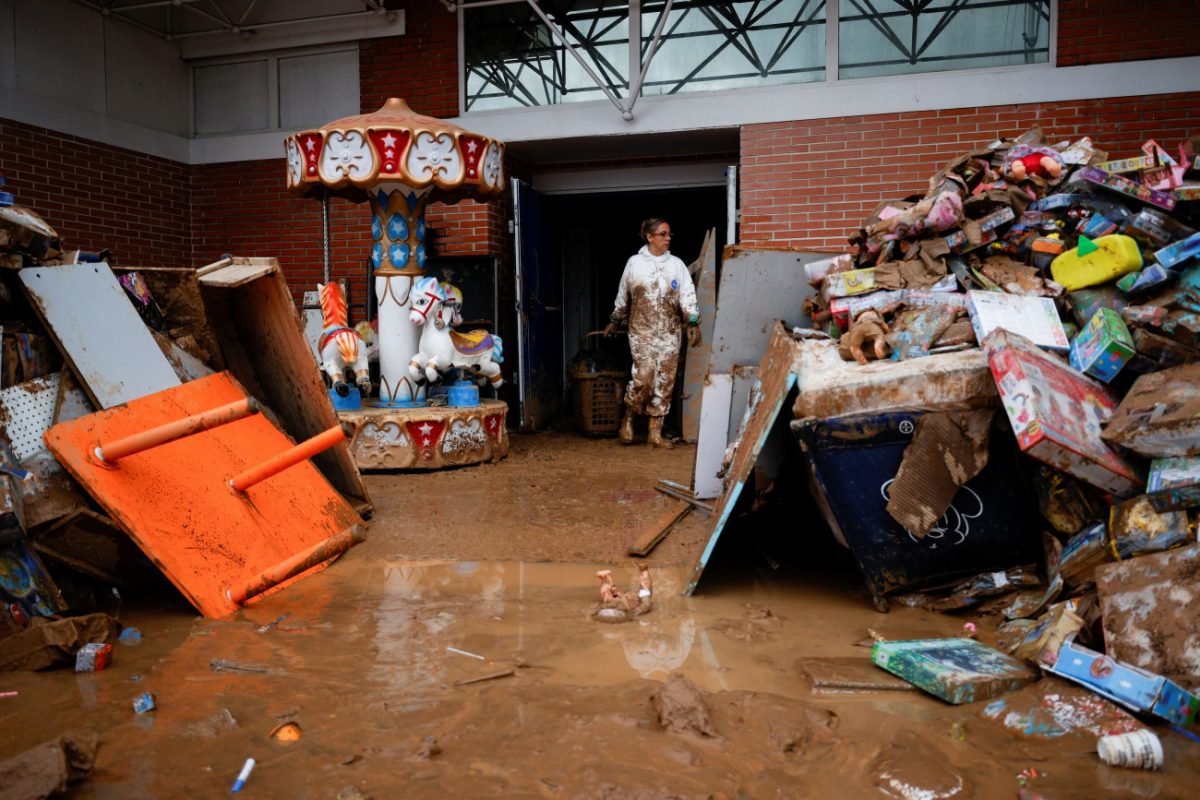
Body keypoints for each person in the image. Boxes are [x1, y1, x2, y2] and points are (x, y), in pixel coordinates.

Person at [603, 218, 700, 448]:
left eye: (669, 235)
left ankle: (655, 433)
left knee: (665, 380)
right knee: (644, 377)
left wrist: (693, 322)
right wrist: (615, 319)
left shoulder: (676, 265)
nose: (668, 238)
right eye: (663, 234)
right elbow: (623, 294)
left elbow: (687, 295)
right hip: (641, 330)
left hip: (669, 331)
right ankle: (629, 418)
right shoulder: (635, 263)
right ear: (650, 237)